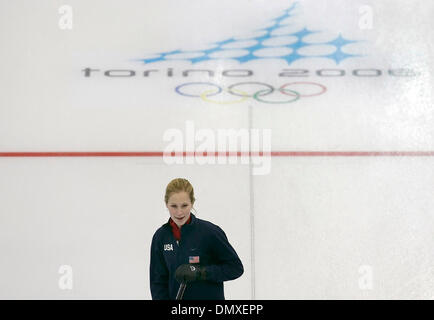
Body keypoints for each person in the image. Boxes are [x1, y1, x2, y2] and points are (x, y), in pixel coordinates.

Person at [150, 178, 244, 300]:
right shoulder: (161, 237)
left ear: (192, 203)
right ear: (166, 204)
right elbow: (158, 282)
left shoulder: (210, 232)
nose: (179, 212)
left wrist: (201, 272)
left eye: (184, 205)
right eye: (174, 206)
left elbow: (235, 268)